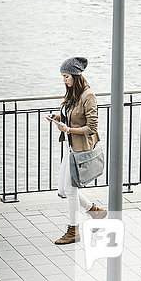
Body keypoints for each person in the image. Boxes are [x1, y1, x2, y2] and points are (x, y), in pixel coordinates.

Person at [47, 56, 107, 245]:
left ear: (75, 75)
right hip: (70, 148)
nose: (64, 80)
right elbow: (73, 115)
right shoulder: (72, 94)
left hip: (80, 149)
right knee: (64, 189)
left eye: (66, 76)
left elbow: (92, 127)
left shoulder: (88, 96)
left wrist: (68, 129)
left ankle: (74, 230)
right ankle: (95, 212)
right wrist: (59, 117)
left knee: (71, 190)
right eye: (63, 76)